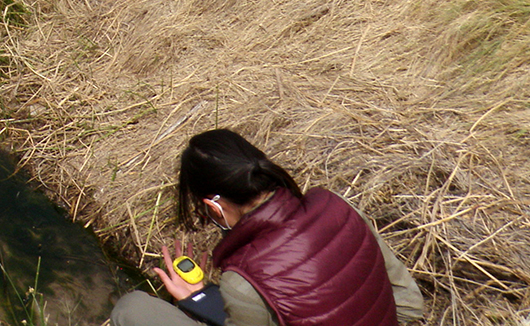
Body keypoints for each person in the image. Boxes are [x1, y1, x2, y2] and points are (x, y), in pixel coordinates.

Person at [108, 128, 426, 326]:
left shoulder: (242, 281)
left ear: (214, 207)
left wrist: (205, 299)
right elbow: (410, 304)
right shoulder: (336, 206)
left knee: (131, 308)